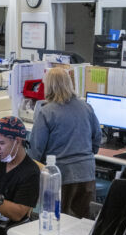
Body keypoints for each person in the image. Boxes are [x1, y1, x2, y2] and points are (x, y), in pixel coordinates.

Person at [28, 67, 101, 219]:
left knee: (60, 220)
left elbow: (36, 150)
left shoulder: (47, 112)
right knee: (83, 222)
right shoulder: (86, 107)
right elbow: (97, 139)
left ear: (49, 86)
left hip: (60, 175)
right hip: (86, 173)